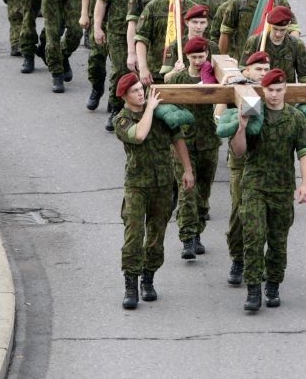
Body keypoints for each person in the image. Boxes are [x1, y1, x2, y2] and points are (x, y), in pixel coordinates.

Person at [230, 68, 306, 311]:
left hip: (281, 188)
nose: (274, 95)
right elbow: (238, 150)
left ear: (286, 89)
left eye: (279, 90)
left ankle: (273, 285)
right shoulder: (255, 113)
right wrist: (242, 127)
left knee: (278, 241)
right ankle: (254, 289)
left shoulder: (296, 118)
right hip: (255, 185)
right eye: (270, 90)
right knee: (254, 237)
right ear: (263, 90)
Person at [114, 72, 195, 310]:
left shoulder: (161, 113)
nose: (140, 93)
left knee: (157, 236)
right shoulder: (123, 119)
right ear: (125, 96)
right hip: (137, 185)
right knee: (134, 235)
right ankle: (131, 283)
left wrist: (188, 170)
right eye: (135, 91)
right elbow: (138, 135)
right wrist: (149, 108)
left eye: (141, 89)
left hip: (162, 184)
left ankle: (148, 279)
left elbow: (178, 140)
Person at [167, 36, 221, 260]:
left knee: (203, 193)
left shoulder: (216, 77)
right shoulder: (178, 78)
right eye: (194, 57)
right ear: (187, 57)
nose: (198, 61)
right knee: (187, 191)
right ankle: (187, 238)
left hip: (209, 142)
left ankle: (197, 231)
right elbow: (164, 101)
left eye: (202, 56)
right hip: (184, 143)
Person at [93, 0, 152, 131]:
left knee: (142, 71)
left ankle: (139, 109)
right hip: (117, 30)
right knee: (121, 69)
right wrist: (97, 26)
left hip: (143, 31)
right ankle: (116, 108)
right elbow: (102, 0)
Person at [223, 51, 270, 286]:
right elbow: (219, 117)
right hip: (241, 163)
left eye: (266, 69)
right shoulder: (236, 86)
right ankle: (238, 259)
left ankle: (256, 260)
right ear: (247, 70)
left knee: (261, 217)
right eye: (258, 69)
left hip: (266, 164)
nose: (263, 73)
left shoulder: (275, 90)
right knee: (239, 212)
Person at [219, 0, 300, 62]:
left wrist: (293, 51)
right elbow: (226, 32)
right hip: (246, 62)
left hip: (276, 61)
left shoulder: (280, 2)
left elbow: (293, 29)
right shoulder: (238, 3)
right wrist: (223, 60)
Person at [134, 0, 196, 86]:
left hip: (185, 71)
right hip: (157, 70)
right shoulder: (153, 7)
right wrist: (143, 68)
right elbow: (141, 39)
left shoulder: (193, 9)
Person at [240, 6, 306, 83]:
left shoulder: (297, 45)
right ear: (269, 25)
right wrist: (255, 74)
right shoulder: (255, 41)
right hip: (259, 89)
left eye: (282, 30)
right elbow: (243, 69)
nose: (278, 34)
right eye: (275, 29)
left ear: (289, 24)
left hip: (285, 90)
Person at [161, 4, 219, 79]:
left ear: (207, 24)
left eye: (202, 22)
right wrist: (175, 70)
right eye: (195, 22)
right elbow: (166, 79)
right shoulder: (176, 45)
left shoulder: (212, 46)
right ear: (187, 22)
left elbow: (221, 73)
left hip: (206, 88)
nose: (198, 27)